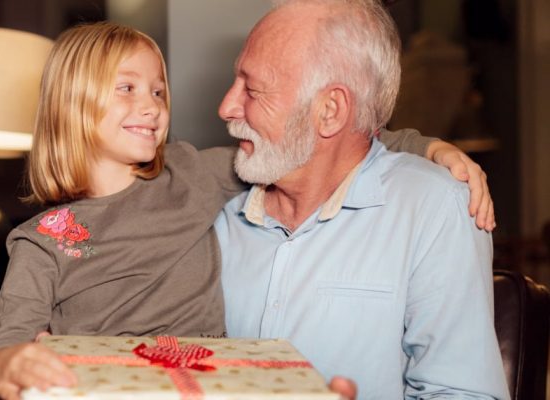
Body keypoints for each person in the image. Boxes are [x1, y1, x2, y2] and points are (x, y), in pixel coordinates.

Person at [0, 22, 494, 400]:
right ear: (70, 106)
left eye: (157, 90)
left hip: (215, 381)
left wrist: (426, 147)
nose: (151, 106)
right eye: (126, 89)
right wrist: (5, 368)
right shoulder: (43, 238)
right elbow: (4, 349)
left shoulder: (188, 174)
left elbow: (332, 142)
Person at [214, 0, 508, 399]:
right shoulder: (213, 207)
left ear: (330, 111)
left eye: (252, 89)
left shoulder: (432, 209)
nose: (226, 107)